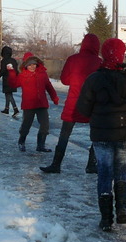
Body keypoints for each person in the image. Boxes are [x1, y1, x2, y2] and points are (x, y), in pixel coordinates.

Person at [76, 38, 126, 231]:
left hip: (101, 134)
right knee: (121, 170)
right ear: (122, 54)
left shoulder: (94, 79)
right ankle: (122, 209)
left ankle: (106, 218)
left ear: (103, 54)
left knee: (104, 173)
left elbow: (83, 108)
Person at [40, 33, 102, 174]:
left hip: (73, 104)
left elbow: (65, 80)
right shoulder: (99, 63)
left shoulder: (72, 59)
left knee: (64, 135)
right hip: (93, 105)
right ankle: (91, 164)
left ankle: (56, 164)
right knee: (96, 136)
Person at [7, 52, 59, 152]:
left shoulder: (42, 74)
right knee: (26, 125)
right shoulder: (23, 75)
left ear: (37, 64)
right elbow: (13, 84)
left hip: (41, 104)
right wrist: (11, 72)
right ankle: (21, 142)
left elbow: (49, 86)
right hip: (28, 105)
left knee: (45, 126)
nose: (32, 66)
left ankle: (41, 145)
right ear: (26, 65)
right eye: (30, 65)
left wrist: (54, 97)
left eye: (34, 64)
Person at [0, 46, 19, 117]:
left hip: (7, 80)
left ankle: (15, 109)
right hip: (13, 79)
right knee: (8, 94)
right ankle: (6, 109)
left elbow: (2, 71)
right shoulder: (14, 61)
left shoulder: (4, 61)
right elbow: (16, 71)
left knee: (9, 95)